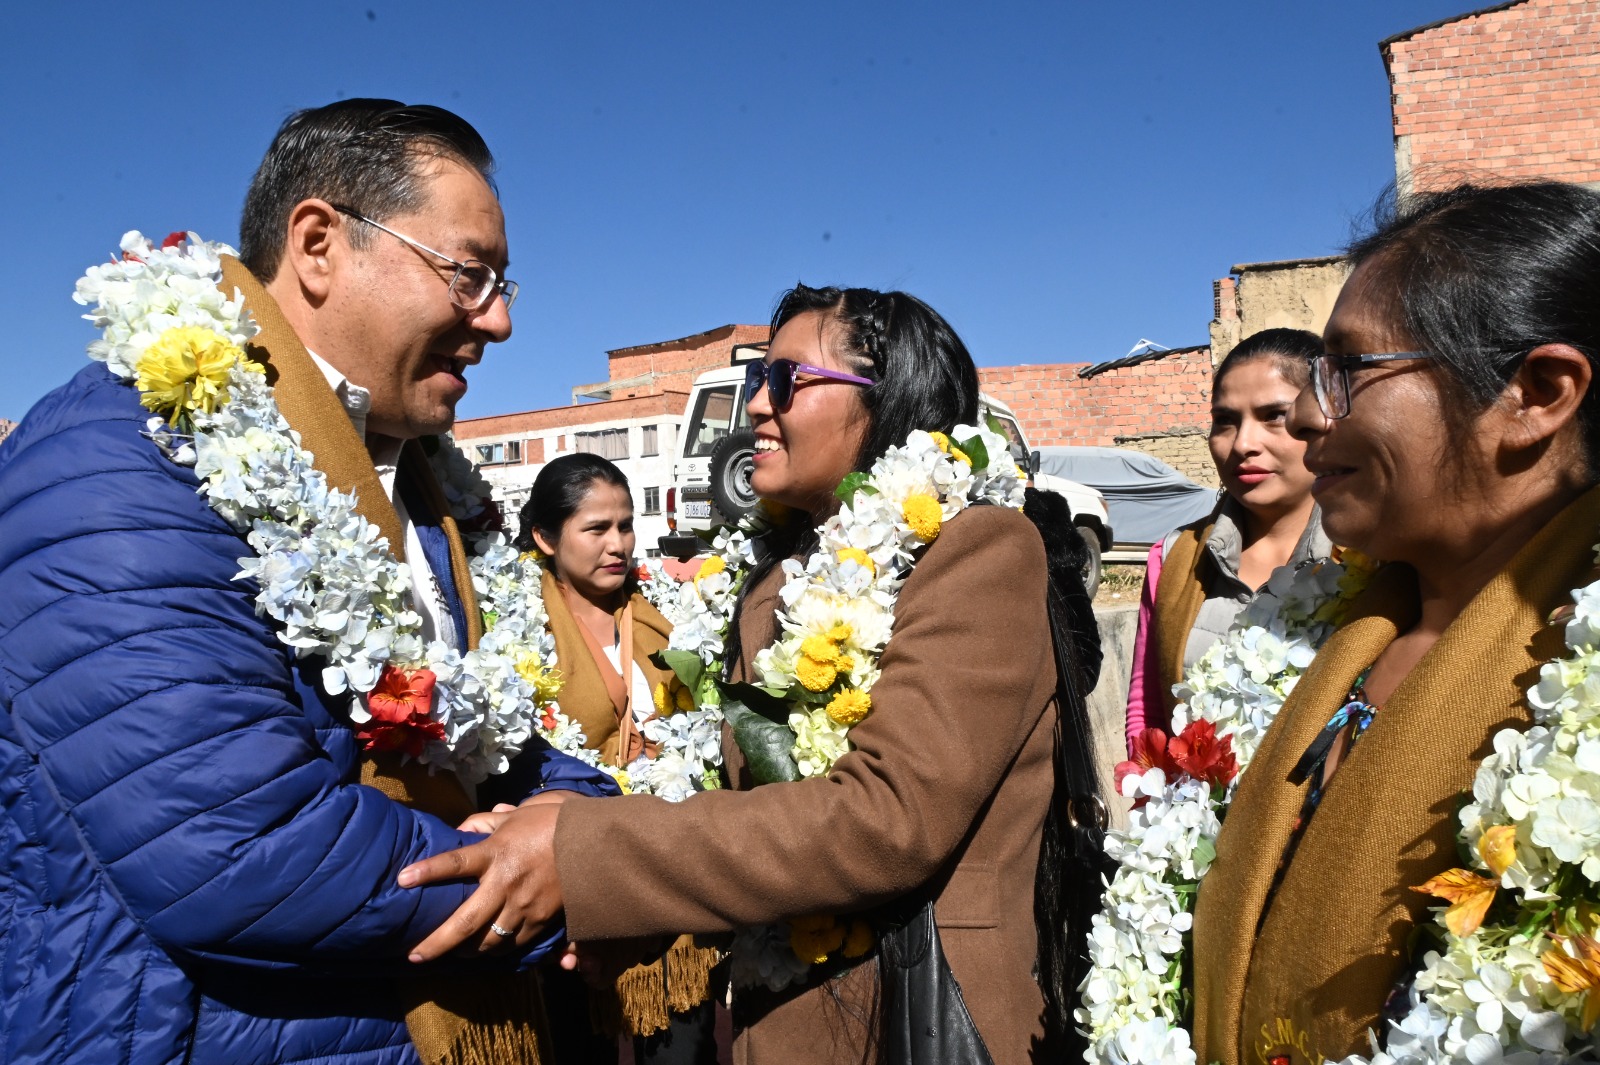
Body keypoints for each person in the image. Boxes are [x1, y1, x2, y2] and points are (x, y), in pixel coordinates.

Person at [0, 99, 615, 1065]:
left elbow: (495, 736)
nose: (498, 320)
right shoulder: (120, 457)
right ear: (320, 245)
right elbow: (237, 848)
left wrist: (593, 824)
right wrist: (564, 878)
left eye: (503, 285)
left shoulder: (425, 489)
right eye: (468, 275)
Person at [401, 285, 1106, 1064]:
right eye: (754, 382)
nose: (757, 408)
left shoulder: (976, 550)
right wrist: (636, 915)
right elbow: (750, 818)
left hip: (915, 1027)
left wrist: (586, 853)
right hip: (781, 1019)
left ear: (887, 397)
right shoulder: (776, 579)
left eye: (784, 381)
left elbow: (885, 818)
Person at [1188, 182, 1600, 1064]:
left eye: (1348, 369)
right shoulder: (1335, 635)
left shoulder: (1578, 683)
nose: (1308, 414)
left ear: (1536, 394)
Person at [492, 453, 722, 1064]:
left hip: (665, 867)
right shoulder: (514, 626)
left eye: (625, 526)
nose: (617, 544)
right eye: (596, 528)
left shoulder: (663, 613)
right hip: (566, 879)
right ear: (546, 537)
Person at [1126, 327, 1332, 749]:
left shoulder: (1372, 556)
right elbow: (1146, 713)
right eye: (1225, 421)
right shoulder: (1176, 557)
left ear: (1324, 419)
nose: (1243, 444)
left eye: (1275, 415)